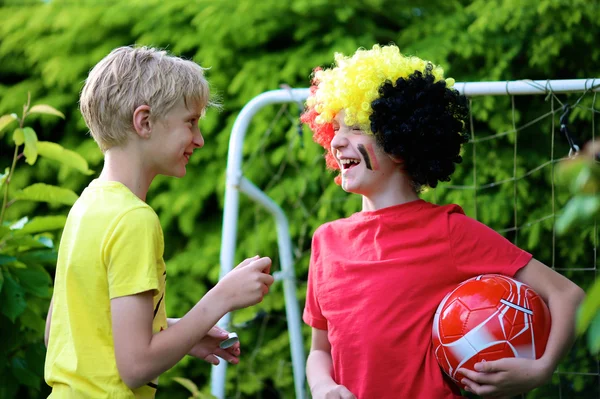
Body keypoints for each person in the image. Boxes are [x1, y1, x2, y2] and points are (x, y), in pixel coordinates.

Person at [300, 44, 585, 399]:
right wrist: (325, 387)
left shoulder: (449, 230)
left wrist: (539, 370)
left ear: (399, 138)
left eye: (356, 128)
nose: (338, 141)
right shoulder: (326, 242)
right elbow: (319, 351)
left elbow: (567, 295)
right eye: (336, 129)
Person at [44, 46, 275, 398]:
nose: (198, 139)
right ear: (145, 122)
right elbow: (136, 367)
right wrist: (220, 299)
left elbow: (61, 332)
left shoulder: (86, 205)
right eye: (191, 122)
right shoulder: (135, 219)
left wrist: (183, 334)